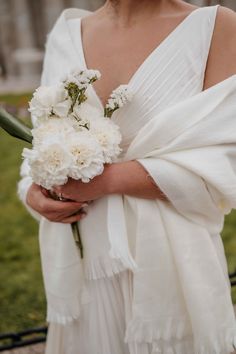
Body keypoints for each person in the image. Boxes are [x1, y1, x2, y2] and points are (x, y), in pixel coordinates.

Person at [18, 1, 236, 353]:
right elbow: (42, 140)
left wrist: (106, 181)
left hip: (171, 272)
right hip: (83, 270)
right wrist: (35, 189)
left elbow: (227, 160)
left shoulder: (217, 27)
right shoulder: (67, 33)